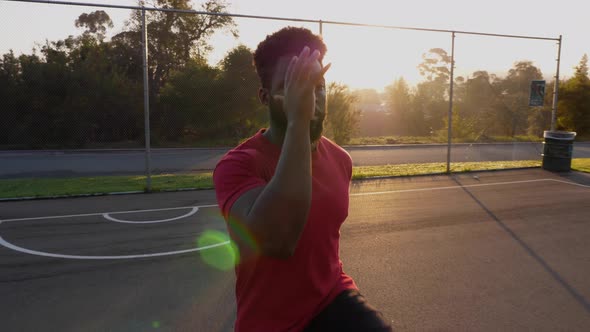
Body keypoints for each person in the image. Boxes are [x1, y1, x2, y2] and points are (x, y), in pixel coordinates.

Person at [213, 26, 393, 332]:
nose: (310, 95)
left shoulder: (340, 160)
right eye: (293, 85)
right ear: (265, 97)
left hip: (332, 298)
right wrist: (298, 120)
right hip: (269, 321)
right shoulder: (237, 167)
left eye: (317, 85)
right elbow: (277, 241)